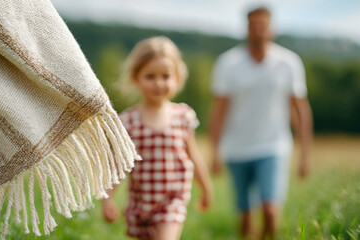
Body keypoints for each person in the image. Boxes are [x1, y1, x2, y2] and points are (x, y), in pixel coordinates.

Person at [208, 6, 313, 240]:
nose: (258, 31)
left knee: (270, 210)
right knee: (245, 219)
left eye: (262, 26)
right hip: (236, 149)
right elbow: (219, 111)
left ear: (271, 29)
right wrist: (214, 152)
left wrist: (305, 154)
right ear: (246, 28)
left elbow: (301, 111)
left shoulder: (288, 62)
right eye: (253, 26)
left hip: (273, 146)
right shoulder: (228, 63)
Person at [102, 36, 213, 240]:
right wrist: (108, 199)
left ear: (177, 78)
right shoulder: (128, 121)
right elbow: (119, 166)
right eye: (150, 76)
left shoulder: (183, 116)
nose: (159, 83)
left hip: (173, 200)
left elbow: (194, 156)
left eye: (165, 76)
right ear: (136, 78)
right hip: (140, 203)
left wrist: (206, 188)